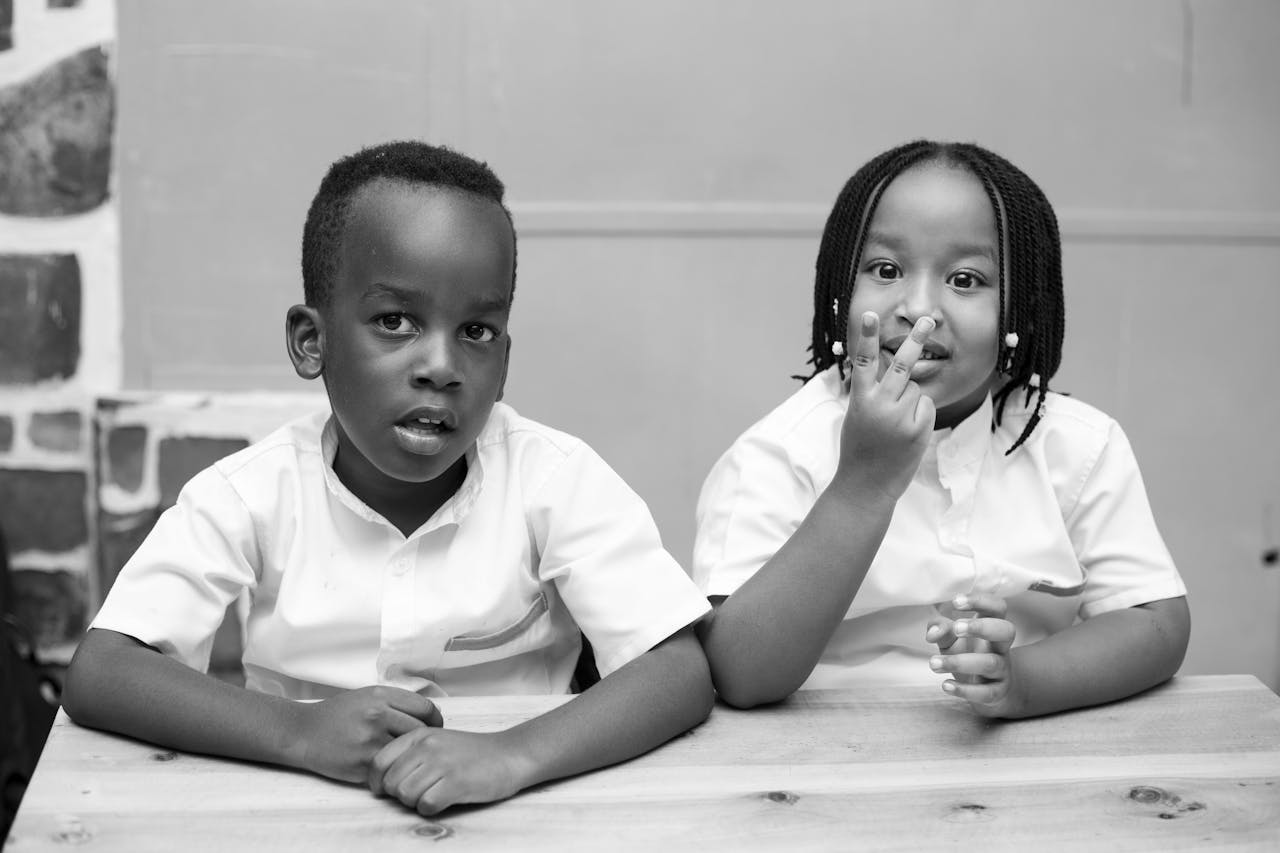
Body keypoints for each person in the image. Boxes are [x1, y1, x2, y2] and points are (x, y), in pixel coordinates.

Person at [63, 141, 713, 815]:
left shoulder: (554, 478)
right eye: (395, 322)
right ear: (312, 342)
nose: (441, 363)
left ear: (505, 361)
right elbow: (103, 671)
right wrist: (299, 730)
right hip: (302, 813)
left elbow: (679, 670)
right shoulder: (250, 493)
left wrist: (511, 754)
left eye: (477, 331)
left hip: (522, 813)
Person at [693, 139, 1189, 718]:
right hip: (822, 756)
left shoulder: (1079, 445)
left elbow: (1157, 623)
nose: (919, 308)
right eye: (886, 270)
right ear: (837, 293)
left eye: (964, 279)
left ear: (1021, 311)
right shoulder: (777, 454)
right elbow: (738, 673)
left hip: (1017, 755)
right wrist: (862, 486)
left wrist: (1021, 682)